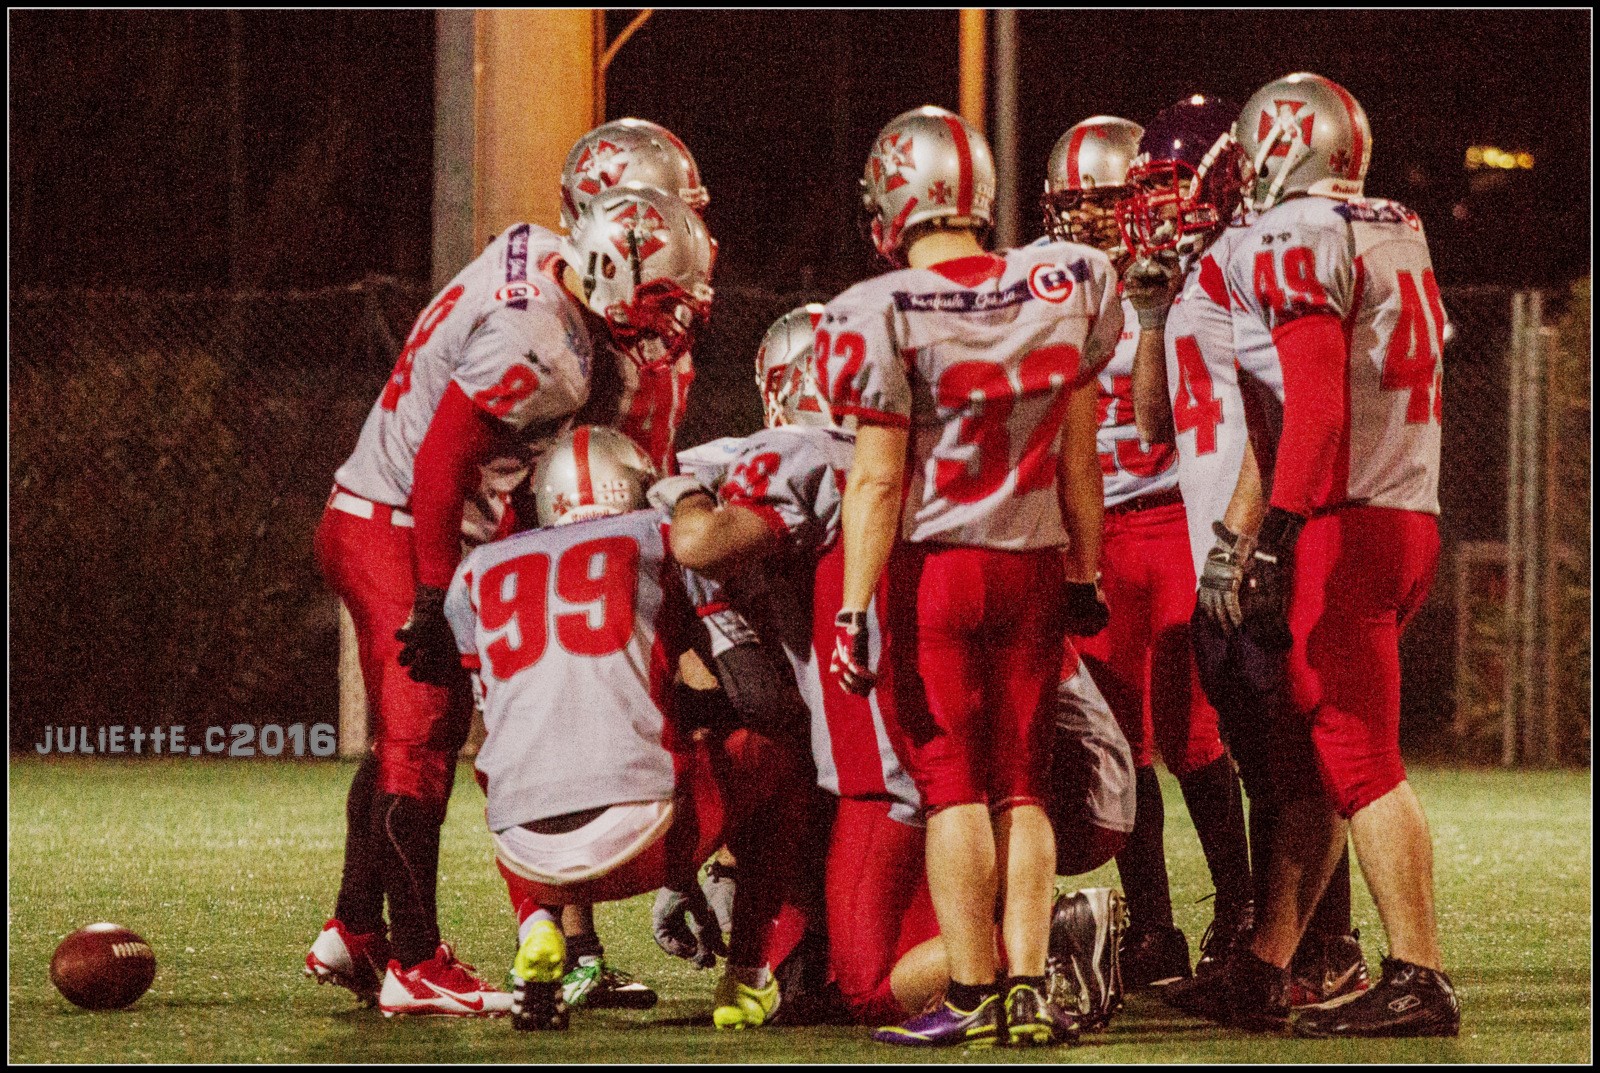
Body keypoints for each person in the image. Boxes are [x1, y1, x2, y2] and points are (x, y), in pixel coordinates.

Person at [655, 309, 1135, 1036]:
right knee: (814, 965)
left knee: (872, 984)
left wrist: (676, 490)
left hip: (902, 762)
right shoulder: (945, 453)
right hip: (1048, 753)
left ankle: (1050, 939)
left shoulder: (804, 453)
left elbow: (704, 544)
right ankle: (1026, 942)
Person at [304, 181, 713, 1018]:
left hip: (382, 513)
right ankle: (415, 962)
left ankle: (353, 929)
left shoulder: (538, 250)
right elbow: (441, 461)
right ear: (606, 269)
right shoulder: (550, 350)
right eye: (659, 297)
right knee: (421, 739)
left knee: (404, 734)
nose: (668, 322)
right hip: (401, 520)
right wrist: (429, 592)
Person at [820, 105, 1122, 1047]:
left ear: (891, 204)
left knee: (951, 784)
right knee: (1022, 784)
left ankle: (971, 988)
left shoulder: (881, 308)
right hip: (1031, 566)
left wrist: (854, 607)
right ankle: (1032, 983)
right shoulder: (1063, 283)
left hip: (935, 572)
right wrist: (1085, 567)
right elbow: (1082, 459)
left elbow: (875, 479)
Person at [1169, 72, 1458, 1038]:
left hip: (1346, 519)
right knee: (1326, 763)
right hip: (1407, 509)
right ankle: (1266, 964)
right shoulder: (1395, 224)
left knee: (1363, 762)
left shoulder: (1294, 236)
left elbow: (1319, 404)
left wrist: (1275, 534)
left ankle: (1418, 970)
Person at [1115, 93, 1370, 1008]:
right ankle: (1278, 950)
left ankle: (1324, 950)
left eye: (1177, 185)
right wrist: (1149, 316)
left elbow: (1286, 413)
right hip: (1210, 540)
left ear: (1234, 173)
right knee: (1266, 758)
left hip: (1250, 540)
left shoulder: (1258, 253)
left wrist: (1250, 538)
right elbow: (1155, 428)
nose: (1158, 206)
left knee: (1294, 757)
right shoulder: (1197, 274)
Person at [439, 426, 810, 1032]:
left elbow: (493, 719)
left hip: (527, 856)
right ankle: (747, 975)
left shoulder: (477, 570)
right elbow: (760, 700)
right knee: (778, 757)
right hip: (645, 842)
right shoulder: (659, 538)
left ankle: (535, 929)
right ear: (641, 485)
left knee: (515, 765)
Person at [1043, 113, 1254, 989]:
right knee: (1121, 743)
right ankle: (1152, 926)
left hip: (1168, 515)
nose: (1091, 220)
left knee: (1196, 734)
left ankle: (1239, 908)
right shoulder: (1043, 283)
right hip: (1096, 534)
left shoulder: (1174, 278)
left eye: (1107, 201)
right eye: (1075, 204)